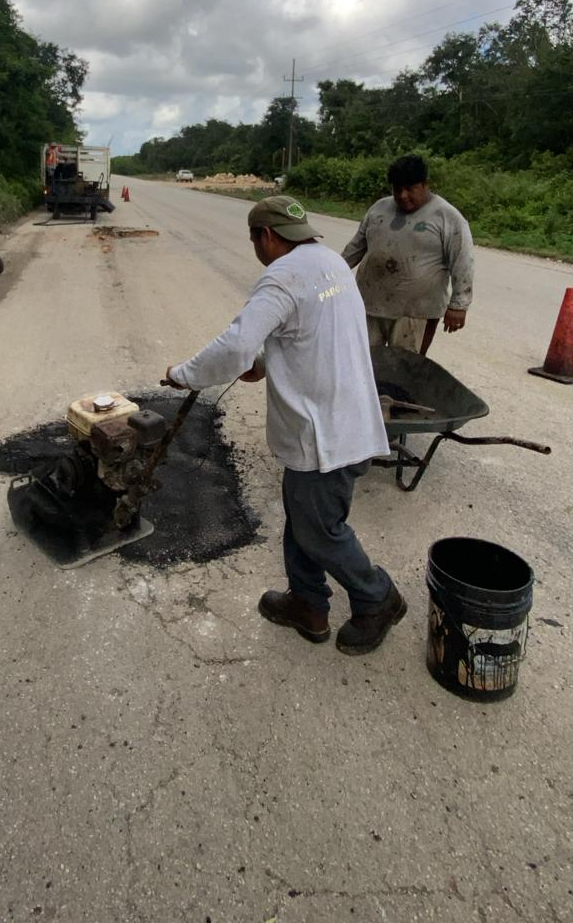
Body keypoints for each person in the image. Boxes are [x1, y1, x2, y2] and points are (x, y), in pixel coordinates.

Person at [165, 195, 406, 655]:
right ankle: (308, 605)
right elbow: (310, 332)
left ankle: (379, 598)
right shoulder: (330, 263)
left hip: (325, 432)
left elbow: (235, 345)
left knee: (320, 528)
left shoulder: (282, 276)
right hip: (347, 417)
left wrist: (183, 374)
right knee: (303, 516)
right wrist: (263, 361)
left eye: (255, 239)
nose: (257, 247)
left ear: (267, 236)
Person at [342, 154, 474, 356]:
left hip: (416, 313)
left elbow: (462, 261)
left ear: (425, 184)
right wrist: (329, 274)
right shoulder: (379, 209)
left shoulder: (447, 216)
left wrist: (458, 305)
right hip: (369, 304)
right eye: (397, 189)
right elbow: (355, 248)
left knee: (406, 370)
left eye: (410, 188)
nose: (403, 195)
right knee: (363, 365)